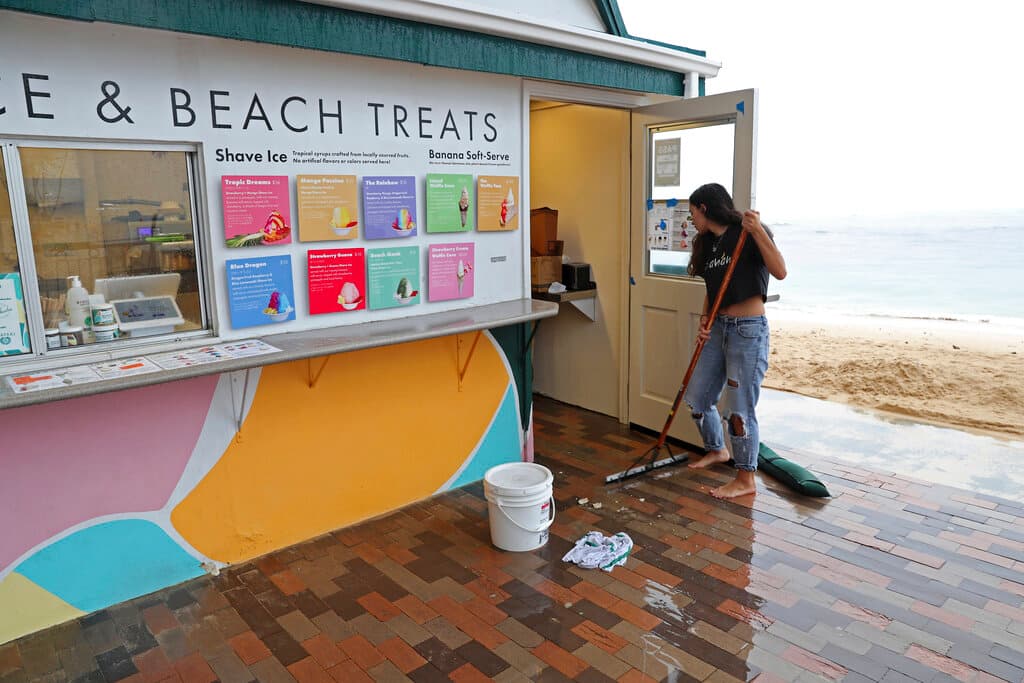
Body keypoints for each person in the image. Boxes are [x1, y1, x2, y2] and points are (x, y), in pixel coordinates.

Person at [682, 183, 787, 498]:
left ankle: (745, 478)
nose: (691, 221)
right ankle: (717, 449)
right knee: (698, 397)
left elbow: (780, 271)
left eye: (692, 214)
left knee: (739, 410)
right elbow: (712, 290)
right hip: (717, 329)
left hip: (747, 329)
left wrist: (758, 232)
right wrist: (705, 321)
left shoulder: (745, 233)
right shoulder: (707, 244)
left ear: (704, 208)